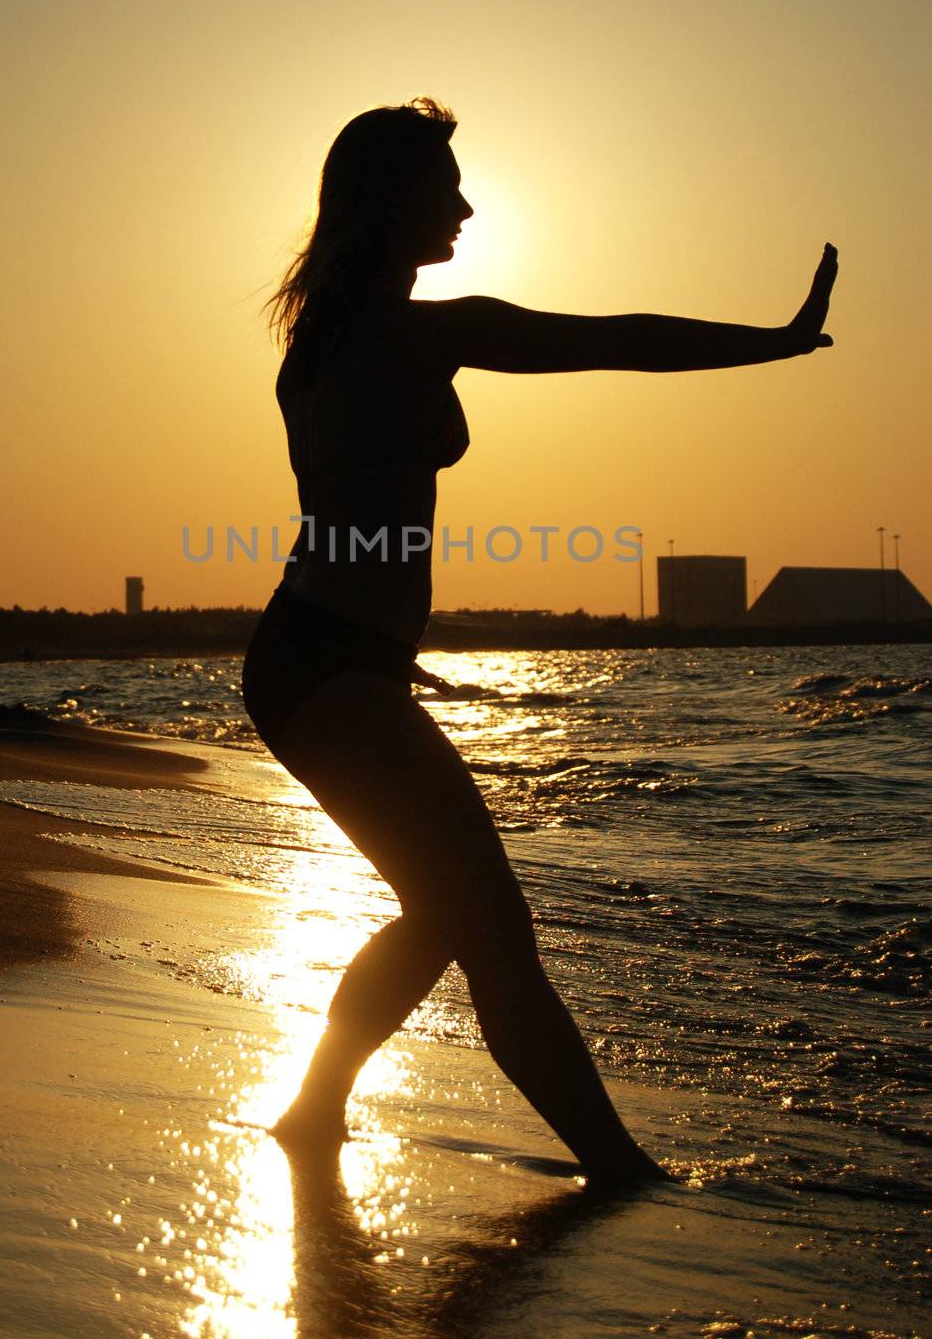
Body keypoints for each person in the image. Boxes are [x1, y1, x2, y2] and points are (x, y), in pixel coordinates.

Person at [241, 97, 838, 1187]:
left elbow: (349, 512)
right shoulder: (414, 333)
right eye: (444, 185)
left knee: (439, 911)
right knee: (491, 929)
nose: (464, 205)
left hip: (321, 662)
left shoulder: (319, 334)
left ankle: (313, 1109)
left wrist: (382, 649)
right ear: (388, 203)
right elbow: (612, 343)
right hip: (329, 670)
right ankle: (617, 1166)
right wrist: (776, 341)